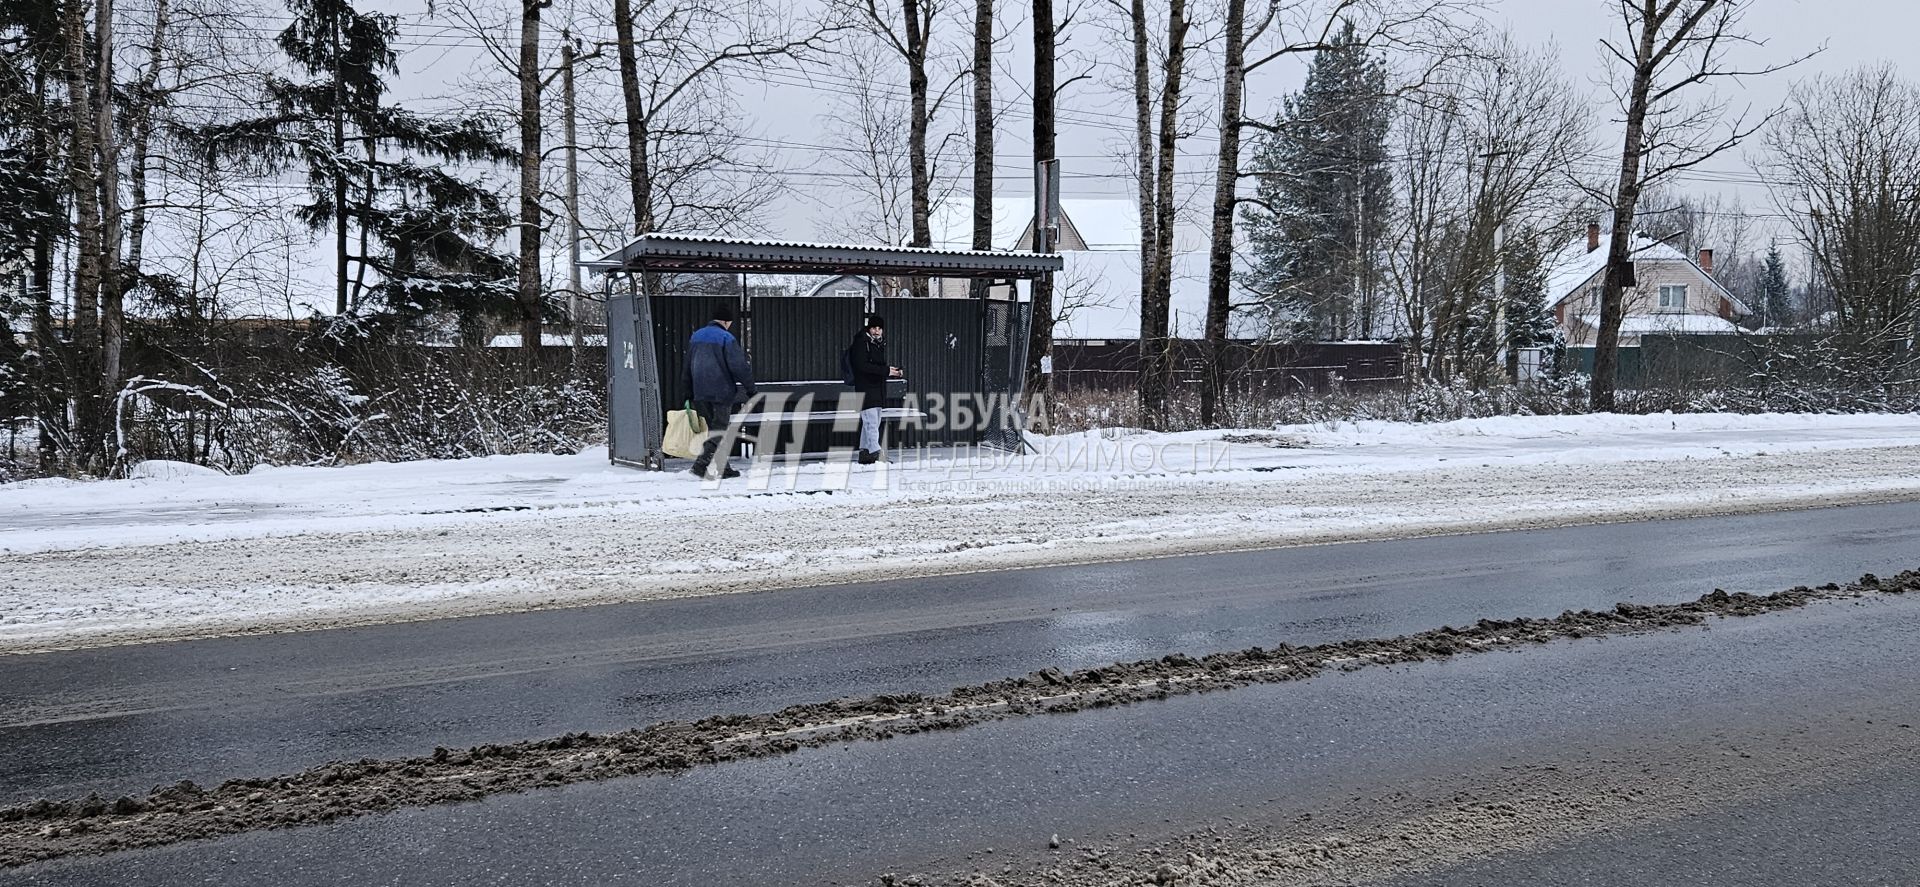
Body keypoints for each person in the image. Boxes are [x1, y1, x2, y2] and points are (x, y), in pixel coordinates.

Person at [684, 303, 755, 479]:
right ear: (725, 321)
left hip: (700, 391)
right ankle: (701, 465)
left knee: (714, 429)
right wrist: (751, 389)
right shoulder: (726, 338)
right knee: (720, 430)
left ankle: (724, 467)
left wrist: (687, 391)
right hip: (721, 391)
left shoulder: (696, 336)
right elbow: (739, 366)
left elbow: (687, 366)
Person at [846, 313, 901, 464]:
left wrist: (891, 370)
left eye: (879, 328)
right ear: (869, 328)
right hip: (865, 388)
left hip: (876, 388)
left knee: (872, 422)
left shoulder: (877, 343)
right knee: (871, 422)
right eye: (874, 328)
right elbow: (862, 366)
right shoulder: (861, 342)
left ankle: (865, 452)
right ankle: (876, 452)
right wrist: (886, 371)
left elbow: (876, 366)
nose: (877, 331)